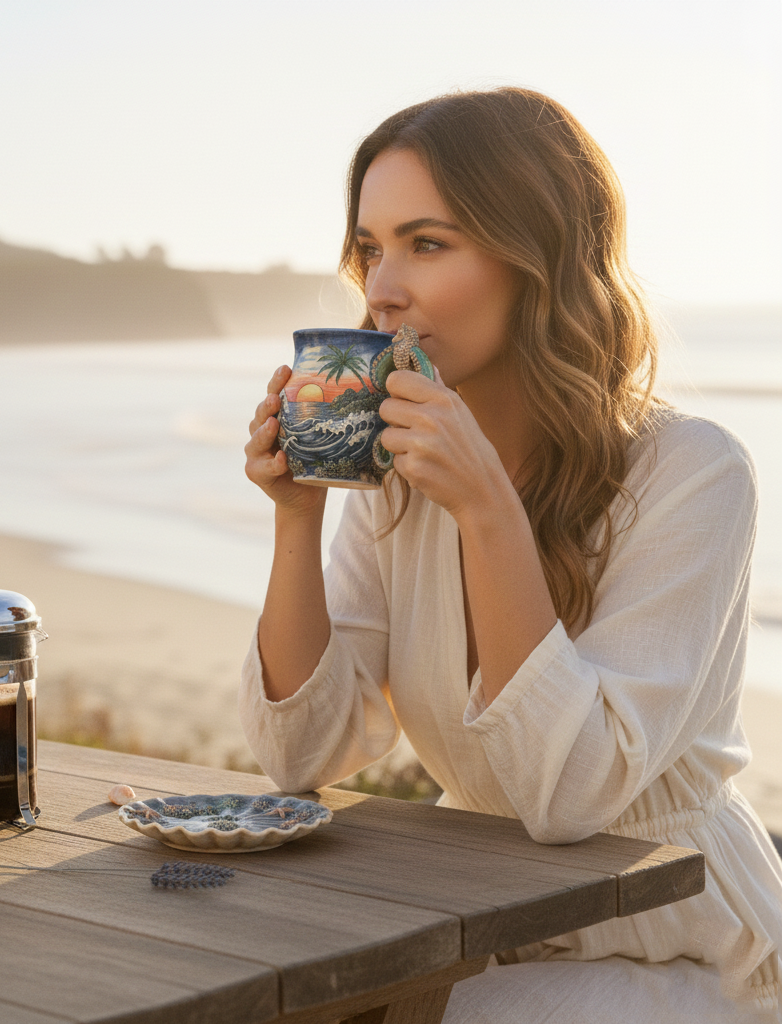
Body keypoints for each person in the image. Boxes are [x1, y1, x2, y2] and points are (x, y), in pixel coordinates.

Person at [241, 88, 782, 1022]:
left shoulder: (694, 475)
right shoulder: (400, 480)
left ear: (537, 262)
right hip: (484, 905)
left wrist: (488, 507)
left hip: (670, 930)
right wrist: (297, 519)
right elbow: (303, 752)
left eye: (428, 242)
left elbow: (568, 795)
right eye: (371, 250)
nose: (382, 290)